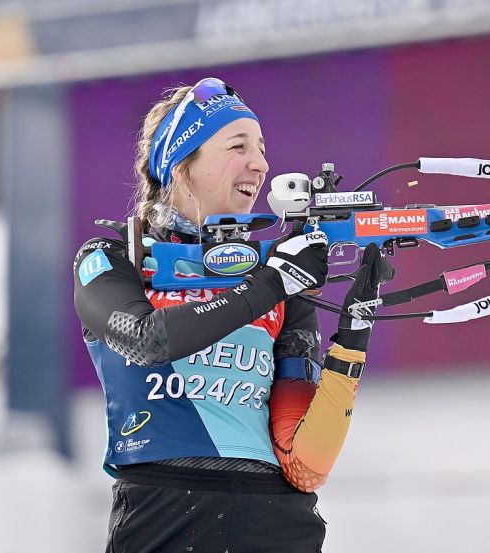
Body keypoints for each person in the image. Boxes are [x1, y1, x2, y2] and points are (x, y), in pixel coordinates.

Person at [73, 77, 392, 552]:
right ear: (181, 166)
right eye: (237, 145)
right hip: (163, 513)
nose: (260, 164)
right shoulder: (114, 256)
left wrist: (355, 332)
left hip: (275, 518)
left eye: (261, 148)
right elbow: (145, 340)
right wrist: (273, 283)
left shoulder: (275, 276)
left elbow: (305, 463)